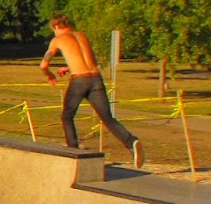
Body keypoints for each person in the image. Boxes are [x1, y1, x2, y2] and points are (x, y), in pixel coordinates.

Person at [39, 15, 143, 169]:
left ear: (57, 27)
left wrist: (49, 75)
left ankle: (73, 150)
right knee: (107, 118)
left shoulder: (58, 40)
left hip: (79, 81)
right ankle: (131, 142)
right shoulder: (82, 36)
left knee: (67, 116)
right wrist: (69, 67)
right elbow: (92, 62)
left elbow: (43, 65)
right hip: (96, 79)